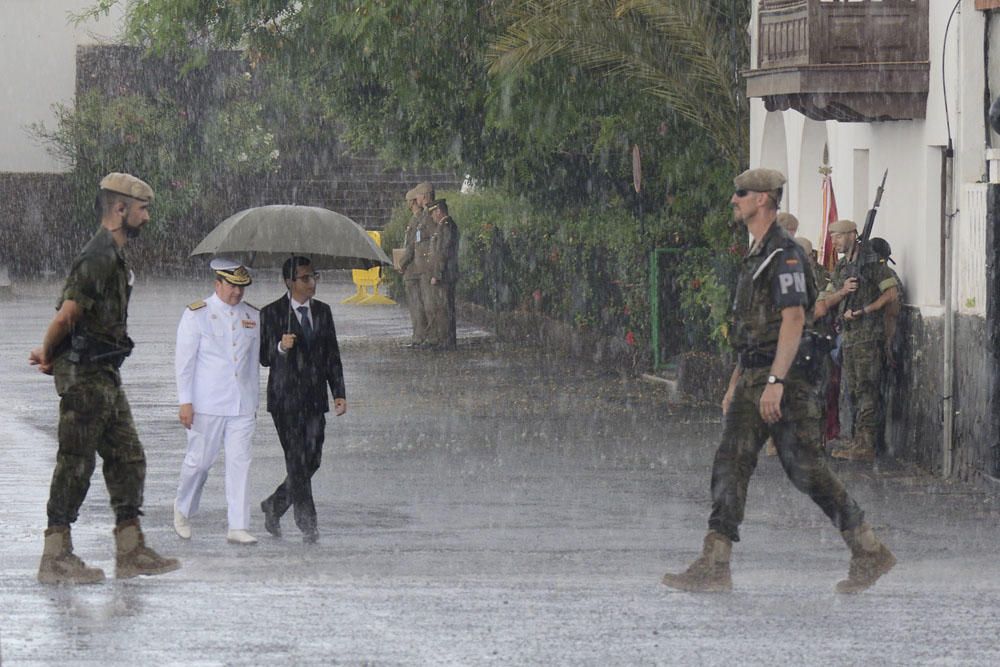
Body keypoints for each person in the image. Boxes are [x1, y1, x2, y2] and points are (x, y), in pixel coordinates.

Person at [661, 168, 895, 595]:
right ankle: (715, 562)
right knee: (731, 460)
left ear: (763, 199)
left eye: (741, 193)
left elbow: (794, 319)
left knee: (805, 469)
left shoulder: (785, 255)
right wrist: (738, 380)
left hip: (787, 379)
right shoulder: (759, 252)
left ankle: (868, 550)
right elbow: (756, 328)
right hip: (758, 373)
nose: (734, 200)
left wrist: (775, 380)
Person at [30, 172, 180, 584]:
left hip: (104, 372)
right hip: (85, 376)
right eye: (142, 209)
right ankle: (55, 556)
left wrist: (52, 352)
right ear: (120, 209)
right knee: (75, 462)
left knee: (128, 457)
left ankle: (130, 549)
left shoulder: (114, 256)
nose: (146, 217)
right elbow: (68, 315)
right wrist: (48, 352)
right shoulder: (97, 256)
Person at [259, 256, 347, 543]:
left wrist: (339, 393)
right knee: (296, 459)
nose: (312, 283)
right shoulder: (272, 313)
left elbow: (332, 355)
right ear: (289, 282)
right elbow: (262, 357)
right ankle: (307, 522)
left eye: (314, 276)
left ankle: (275, 504)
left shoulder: (323, 312)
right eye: (305, 278)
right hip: (284, 399)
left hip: (314, 398)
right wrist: (280, 348)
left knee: (313, 459)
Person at [173, 258, 260, 545]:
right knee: (200, 463)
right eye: (232, 286)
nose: (237, 293)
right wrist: (185, 401)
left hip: (242, 405)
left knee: (240, 463)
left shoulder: (252, 315)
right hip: (207, 403)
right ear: (218, 284)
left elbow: (253, 362)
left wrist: (253, 401)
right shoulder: (197, 314)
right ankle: (182, 508)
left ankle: (238, 525)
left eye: (241, 287)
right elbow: (185, 362)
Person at [813, 221, 900, 462]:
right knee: (852, 390)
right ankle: (857, 439)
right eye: (833, 237)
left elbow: (891, 293)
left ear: (852, 235)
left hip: (868, 336)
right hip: (849, 337)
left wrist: (864, 310)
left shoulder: (871, 262)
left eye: (839, 236)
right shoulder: (842, 267)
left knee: (867, 390)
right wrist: (841, 292)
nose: (835, 241)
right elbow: (825, 297)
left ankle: (866, 443)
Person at [398, 182, 435, 348]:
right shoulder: (417, 219)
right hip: (415, 267)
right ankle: (420, 335)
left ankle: (420, 335)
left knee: (418, 306)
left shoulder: (420, 219)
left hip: (414, 268)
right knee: (418, 305)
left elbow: (413, 246)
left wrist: (401, 262)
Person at [426, 199, 460, 349]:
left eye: (433, 213)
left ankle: (447, 340)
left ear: (439, 211)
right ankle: (444, 339)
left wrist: (437, 274)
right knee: (442, 308)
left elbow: (444, 252)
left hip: (446, 274)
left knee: (445, 308)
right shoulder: (443, 226)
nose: (432, 216)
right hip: (445, 273)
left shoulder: (447, 226)